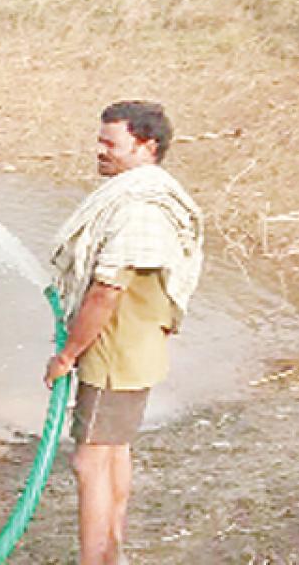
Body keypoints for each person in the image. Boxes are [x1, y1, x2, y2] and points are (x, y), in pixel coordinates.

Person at [43, 101, 203, 565]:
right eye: (100, 140)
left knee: (89, 461)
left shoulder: (139, 212)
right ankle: (112, 553)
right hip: (139, 349)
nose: (99, 150)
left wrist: (67, 354)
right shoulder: (150, 195)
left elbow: (105, 293)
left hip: (113, 355)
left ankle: (95, 559)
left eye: (110, 143)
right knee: (114, 452)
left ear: (145, 146)